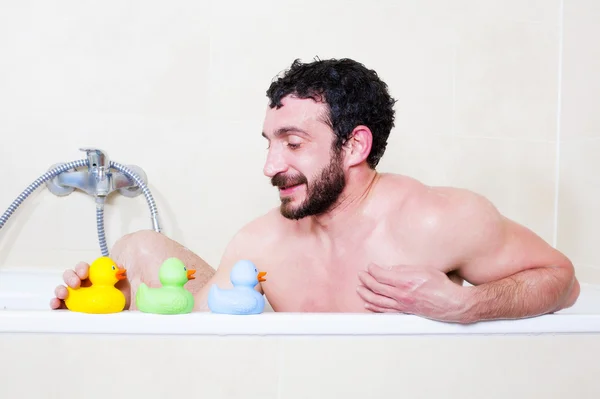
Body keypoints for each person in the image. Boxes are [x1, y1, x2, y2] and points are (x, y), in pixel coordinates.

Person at [50, 58, 580, 323]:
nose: (270, 166)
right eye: (269, 143)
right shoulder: (261, 244)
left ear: (353, 147)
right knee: (138, 248)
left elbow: (562, 280)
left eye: (294, 143)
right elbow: (195, 323)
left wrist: (463, 306)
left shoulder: (435, 220)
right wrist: (113, 302)